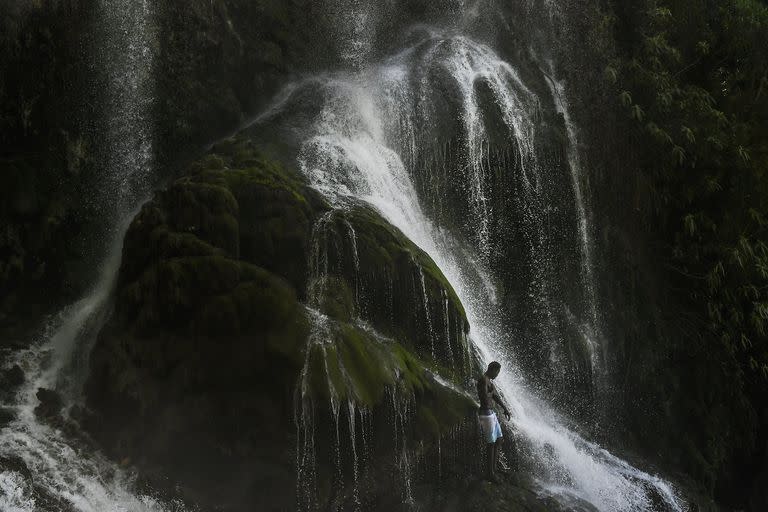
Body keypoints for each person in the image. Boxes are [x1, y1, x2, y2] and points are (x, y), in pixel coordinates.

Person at [476, 361, 511, 483]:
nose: (497, 375)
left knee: (499, 439)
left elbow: (496, 396)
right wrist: (491, 391)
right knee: (491, 444)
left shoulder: (489, 382)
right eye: (497, 372)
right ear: (493, 370)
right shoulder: (483, 380)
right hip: (485, 413)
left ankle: (494, 468)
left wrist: (505, 409)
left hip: (491, 413)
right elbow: (484, 397)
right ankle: (489, 473)